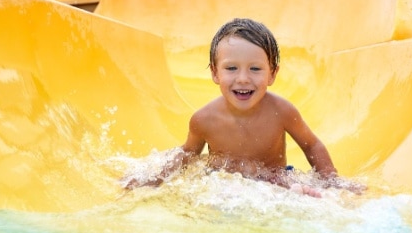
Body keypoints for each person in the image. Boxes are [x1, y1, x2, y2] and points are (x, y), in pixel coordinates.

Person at [125, 18, 354, 197]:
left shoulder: (282, 111)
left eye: (255, 69)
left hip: (273, 182)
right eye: (231, 68)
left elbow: (311, 144)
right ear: (215, 73)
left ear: (272, 74)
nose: (243, 78)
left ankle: (301, 194)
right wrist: (154, 179)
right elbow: (187, 154)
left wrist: (332, 180)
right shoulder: (204, 120)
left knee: (289, 190)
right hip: (224, 185)